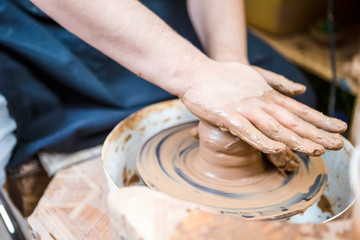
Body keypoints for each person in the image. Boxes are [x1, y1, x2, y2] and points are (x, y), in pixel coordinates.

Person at [0, 0, 346, 188]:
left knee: (292, 93)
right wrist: (196, 74)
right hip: (38, 25)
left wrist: (230, 65)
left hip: (155, 10)